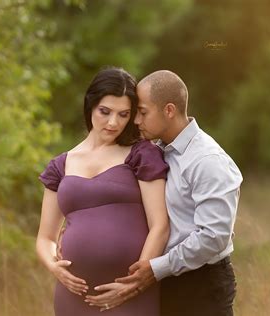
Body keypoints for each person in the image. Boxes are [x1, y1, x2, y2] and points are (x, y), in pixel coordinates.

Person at [84, 70, 243, 316]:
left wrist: (157, 268)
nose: (136, 120)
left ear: (169, 110)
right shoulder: (154, 151)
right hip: (163, 281)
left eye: (143, 112)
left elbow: (214, 236)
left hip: (200, 285)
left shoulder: (207, 160)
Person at [35, 67, 170, 316]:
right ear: (90, 106)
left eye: (123, 114)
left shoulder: (141, 154)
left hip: (129, 294)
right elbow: (46, 238)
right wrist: (55, 268)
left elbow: (160, 225)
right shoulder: (60, 165)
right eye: (105, 112)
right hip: (74, 296)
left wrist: (135, 285)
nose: (113, 123)